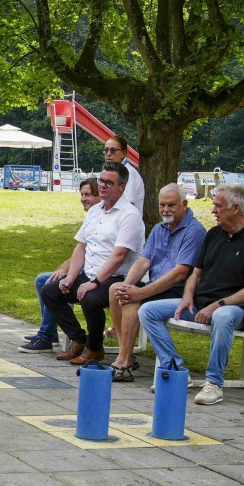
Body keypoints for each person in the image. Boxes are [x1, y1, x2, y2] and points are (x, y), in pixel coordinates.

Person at [140, 183, 244, 405]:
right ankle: (177, 368)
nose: (213, 211)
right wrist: (188, 296)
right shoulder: (214, 234)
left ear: (236, 208)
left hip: (233, 309)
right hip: (199, 305)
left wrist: (219, 304)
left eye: (218, 206)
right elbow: (196, 273)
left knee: (221, 316)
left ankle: (213, 384)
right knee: (147, 310)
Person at [41, 161, 144, 366]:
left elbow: (119, 256)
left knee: (90, 297)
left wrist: (95, 281)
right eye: (101, 180)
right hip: (89, 273)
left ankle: (95, 348)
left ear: (122, 187)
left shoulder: (129, 215)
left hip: (118, 278)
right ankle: (79, 339)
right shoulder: (96, 210)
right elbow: (81, 247)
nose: (103, 186)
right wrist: (70, 278)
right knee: (50, 291)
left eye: (109, 183)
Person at [106, 183, 207, 381]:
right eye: (162, 205)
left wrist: (141, 293)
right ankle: (125, 353)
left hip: (179, 292)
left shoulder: (193, 231)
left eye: (171, 205)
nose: (166, 210)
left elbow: (180, 273)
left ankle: (124, 361)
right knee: (116, 289)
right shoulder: (160, 228)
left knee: (133, 300)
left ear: (184, 204)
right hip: (159, 287)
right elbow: (144, 261)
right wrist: (128, 285)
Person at [19, 177, 101, 352]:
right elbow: (80, 249)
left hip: (96, 276)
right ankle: (50, 332)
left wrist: (67, 272)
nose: (83, 198)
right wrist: (63, 269)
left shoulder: (106, 218)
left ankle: (46, 337)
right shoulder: (93, 216)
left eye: (88, 194)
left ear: (99, 196)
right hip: (84, 271)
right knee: (43, 279)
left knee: (49, 284)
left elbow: (92, 253)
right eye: (82, 194)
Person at [103, 134, 144, 214]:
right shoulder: (115, 173)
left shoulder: (129, 173)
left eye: (113, 150)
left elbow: (127, 207)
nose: (108, 154)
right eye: (106, 150)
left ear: (124, 153)